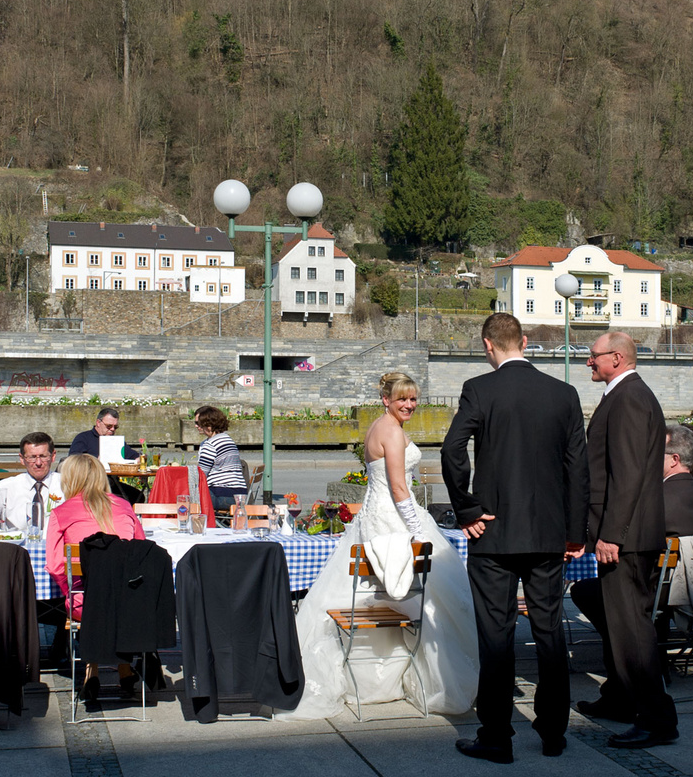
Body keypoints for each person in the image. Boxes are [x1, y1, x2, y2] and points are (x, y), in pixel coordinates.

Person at [442, 313, 587, 763]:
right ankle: (553, 731)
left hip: (495, 531)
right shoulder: (563, 393)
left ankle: (498, 735)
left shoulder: (480, 389)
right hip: (547, 535)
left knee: (497, 634)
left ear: (488, 345)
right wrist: (574, 531)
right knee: (549, 630)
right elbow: (576, 468)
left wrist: (467, 508)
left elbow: (452, 449)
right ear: (524, 341)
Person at [290, 373, 477, 721]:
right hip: (394, 517)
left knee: (380, 594)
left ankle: (379, 676)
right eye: (402, 399)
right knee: (432, 596)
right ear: (386, 399)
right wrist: (419, 528)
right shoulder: (390, 431)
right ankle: (423, 675)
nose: (409, 405)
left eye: (413, 399)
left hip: (375, 517)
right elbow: (398, 488)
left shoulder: (379, 426)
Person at [573, 331, 676, 749]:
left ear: (616, 357)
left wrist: (611, 534)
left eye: (592, 357)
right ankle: (619, 697)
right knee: (618, 621)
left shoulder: (630, 397)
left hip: (626, 537)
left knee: (632, 627)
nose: (588, 363)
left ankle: (656, 719)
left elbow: (628, 473)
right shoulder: (625, 393)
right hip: (625, 534)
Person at [569, 423, 693, 709]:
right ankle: (638, 656)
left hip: (650, 589)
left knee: (589, 592)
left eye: (655, 453)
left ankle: (626, 658)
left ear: (674, 459)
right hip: (692, 588)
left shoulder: (655, 500)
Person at [45, 453, 144, 700]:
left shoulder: (61, 512)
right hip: (128, 600)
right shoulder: (124, 507)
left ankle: (92, 669)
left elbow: (56, 566)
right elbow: (141, 551)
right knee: (109, 601)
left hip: (85, 601)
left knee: (92, 603)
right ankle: (123, 668)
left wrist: (72, 592)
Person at [0, 432, 64, 533]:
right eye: (32, 457)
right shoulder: (5, 487)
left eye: (43, 456)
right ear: (22, 459)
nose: (38, 463)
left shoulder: (67, 485)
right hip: (15, 546)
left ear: (53, 456)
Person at [192, 406, 247, 512]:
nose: (195, 426)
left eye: (198, 423)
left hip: (222, 495)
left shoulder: (210, 444)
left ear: (209, 424)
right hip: (240, 495)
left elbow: (201, 475)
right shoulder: (227, 439)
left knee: (182, 497)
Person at [68, 407, 139, 461]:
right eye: (109, 426)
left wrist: (138, 459)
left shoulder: (115, 441)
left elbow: (133, 455)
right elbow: (73, 460)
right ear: (98, 423)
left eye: (115, 427)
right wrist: (96, 460)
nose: (112, 429)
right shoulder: (83, 438)